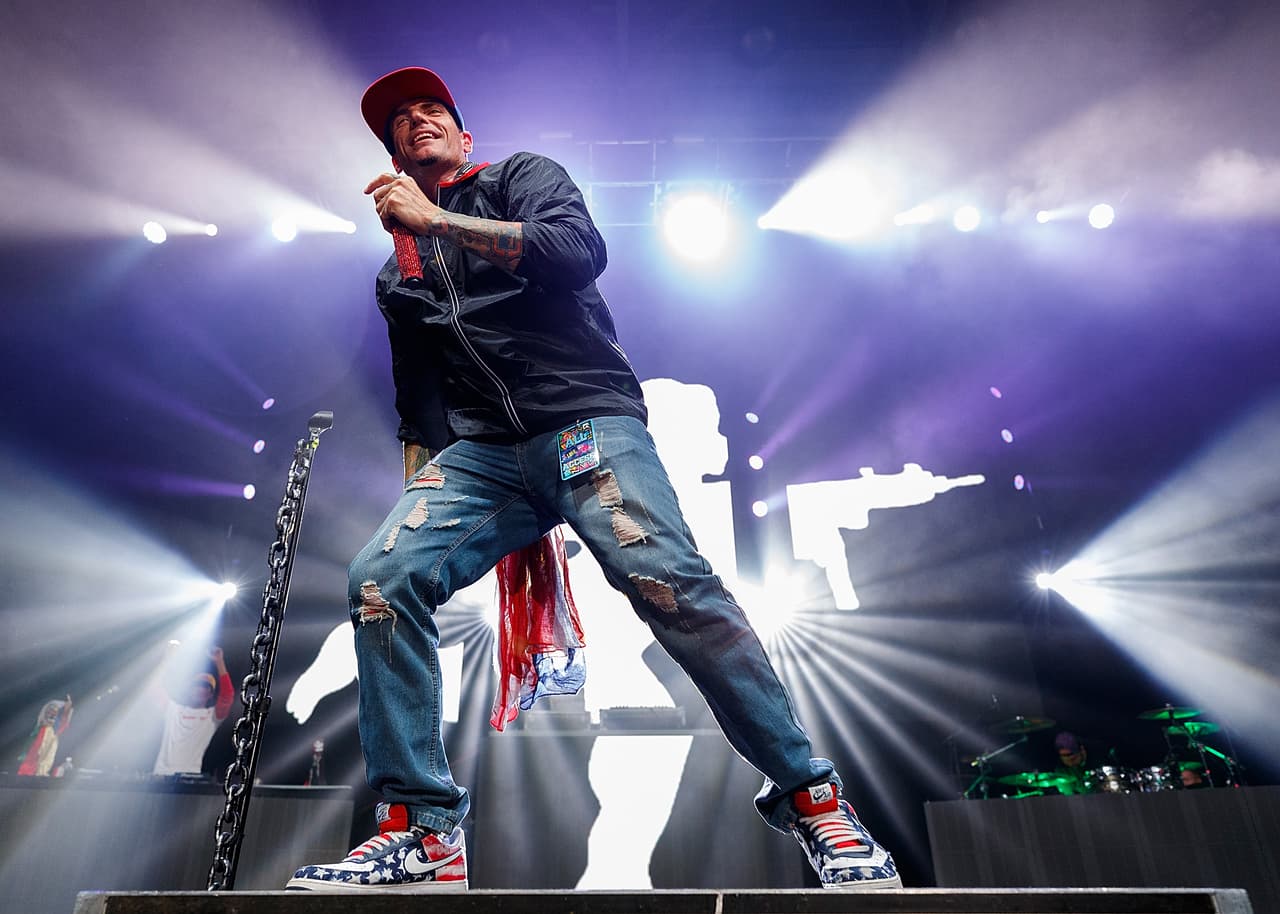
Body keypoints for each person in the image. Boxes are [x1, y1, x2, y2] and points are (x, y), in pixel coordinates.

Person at [286, 66, 901, 893]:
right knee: (379, 580)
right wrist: (420, 502)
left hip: (584, 422)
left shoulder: (519, 179)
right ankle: (424, 833)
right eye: (399, 120)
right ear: (391, 156)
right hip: (486, 456)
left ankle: (817, 803)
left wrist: (439, 218)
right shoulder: (401, 272)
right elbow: (419, 399)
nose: (416, 120)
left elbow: (576, 254)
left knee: (672, 586)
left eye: (432, 109)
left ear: (464, 139)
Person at [152, 647, 234, 776]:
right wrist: (166, 660)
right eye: (197, 685)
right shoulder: (173, 709)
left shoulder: (212, 717)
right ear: (190, 691)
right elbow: (154, 687)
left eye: (205, 686)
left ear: (210, 694)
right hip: (161, 774)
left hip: (189, 776)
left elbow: (227, 696)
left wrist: (219, 662)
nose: (200, 689)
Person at [17, 696, 73, 776]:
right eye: (51, 711)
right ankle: (31, 773)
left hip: (51, 736)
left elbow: (63, 723)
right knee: (36, 755)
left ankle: (40, 773)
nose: (53, 713)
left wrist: (67, 708)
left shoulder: (55, 723)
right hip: (43, 735)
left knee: (47, 757)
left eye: (55, 711)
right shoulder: (45, 723)